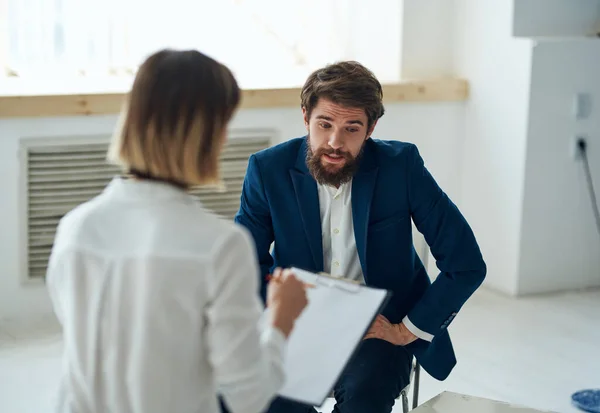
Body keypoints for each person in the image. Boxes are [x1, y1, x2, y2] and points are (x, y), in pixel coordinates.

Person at [45, 49, 309, 413]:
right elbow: (248, 395)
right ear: (207, 133)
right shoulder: (220, 246)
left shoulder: (75, 229)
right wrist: (281, 319)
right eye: (224, 125)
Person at [233, 61, 487, 413]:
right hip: (297, 324)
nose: (335, 142)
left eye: (351, 128)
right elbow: (244, 263)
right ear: (305, 116)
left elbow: (466, 263)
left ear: (371, 129)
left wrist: (406, 329)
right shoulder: (268, 169)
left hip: (378, 328)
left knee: (363, 400)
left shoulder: (402, 166)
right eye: (324, 124)